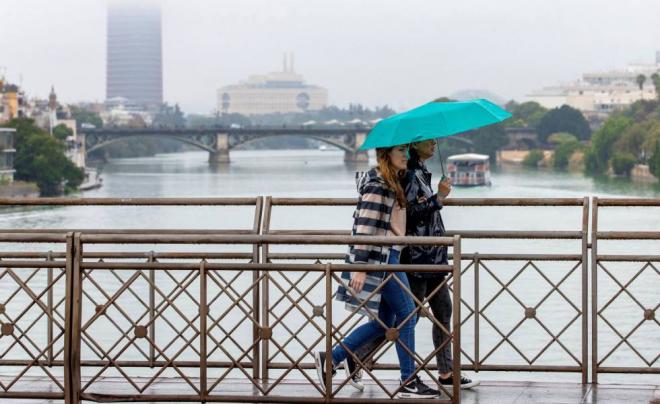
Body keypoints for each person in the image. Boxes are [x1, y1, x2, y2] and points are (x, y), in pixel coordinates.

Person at [314, 145, 439, 399]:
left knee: (385, 322)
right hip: (381, 259)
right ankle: (408, 380)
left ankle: (334, 357)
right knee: (407, 317)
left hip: (389, 255)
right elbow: (364, 226)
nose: (406, 156)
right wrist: (361, 267)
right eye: (401, 151)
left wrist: (435, 198)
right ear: (386, 155)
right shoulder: (378, 183)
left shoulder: (392, 181)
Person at [404, 138, 479, 389]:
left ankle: (446, 373)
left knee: (443, 312)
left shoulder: (423, 174)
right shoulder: (411, 175)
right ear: (414, 145)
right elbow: (410, 214)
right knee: (407, 319)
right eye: (429, 141)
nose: (434, 144)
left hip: (433, 255)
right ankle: (354, 359)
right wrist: (439, 198)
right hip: (418, 257)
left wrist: (437, 196)